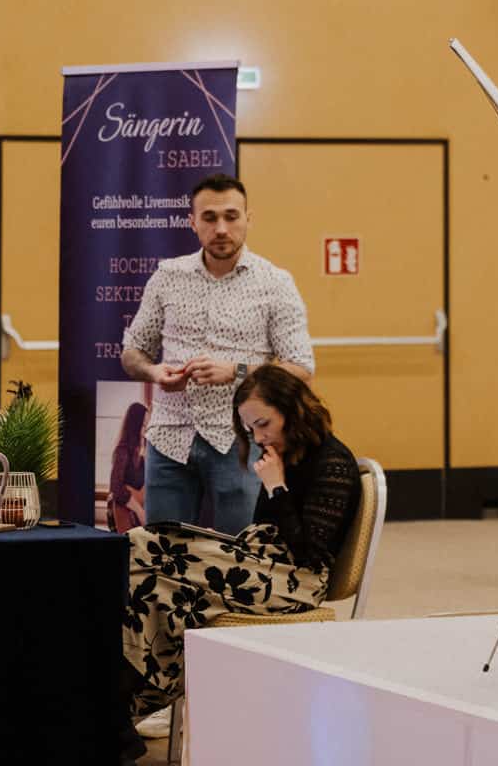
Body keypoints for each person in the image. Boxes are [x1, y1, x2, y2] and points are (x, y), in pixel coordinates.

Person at [118, 365, 360, 758]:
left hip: (294, 579)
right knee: (155, 583)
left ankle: (125, 704)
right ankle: (120, 709)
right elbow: (261, 529)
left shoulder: (333, 462)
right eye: (250, 430)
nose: (259, 437)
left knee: (146, 545)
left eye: (264, 424)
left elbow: (309, 552)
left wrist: (276, 486)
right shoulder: (279, 455)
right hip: (260, 565)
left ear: (293, 410)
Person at [119, 173, 315, 533]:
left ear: (248, 219)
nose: (221, 228)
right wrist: (155, 373)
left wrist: (237, 371)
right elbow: (133, 352)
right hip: (168, 438)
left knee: (235, 554)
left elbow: (301, 366)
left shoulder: (275, 283)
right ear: (192, 222)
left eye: (231, 216)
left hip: (240, 439)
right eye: (209, 217)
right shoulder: (167, 275)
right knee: (159, 553)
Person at [106, 398, 149, 533]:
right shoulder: (122, 450)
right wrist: (139, 511)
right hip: (126, 514)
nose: (147, 428)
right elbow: (116, 487)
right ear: (134, 426)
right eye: (143, 425)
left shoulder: (147, 451)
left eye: (148, 424)